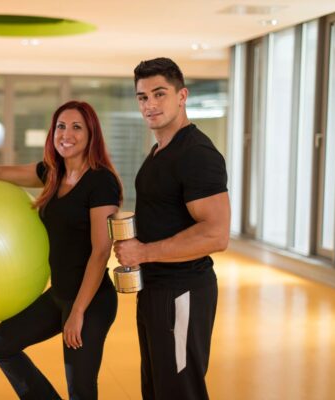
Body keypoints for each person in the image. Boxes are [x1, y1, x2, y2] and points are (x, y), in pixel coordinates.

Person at [0, 100, 122, 400]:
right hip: (59, 295)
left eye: (76, 127)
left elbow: (100, 252)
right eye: (60, 126)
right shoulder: (52, 173)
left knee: (81, 391)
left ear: (91, 134)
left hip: (91, 300)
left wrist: (78, 312)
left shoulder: (101, 182)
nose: (66, 134)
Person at [113, 57, 230, 400]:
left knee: (180, 391)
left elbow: (216, 234)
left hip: (184, 291)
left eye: (159, 94)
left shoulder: (197, 154)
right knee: (158, 389)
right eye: (142, 97)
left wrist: (144, 251)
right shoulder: (160, 151)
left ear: (182, 96)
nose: (150, 104)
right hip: (157, 288)